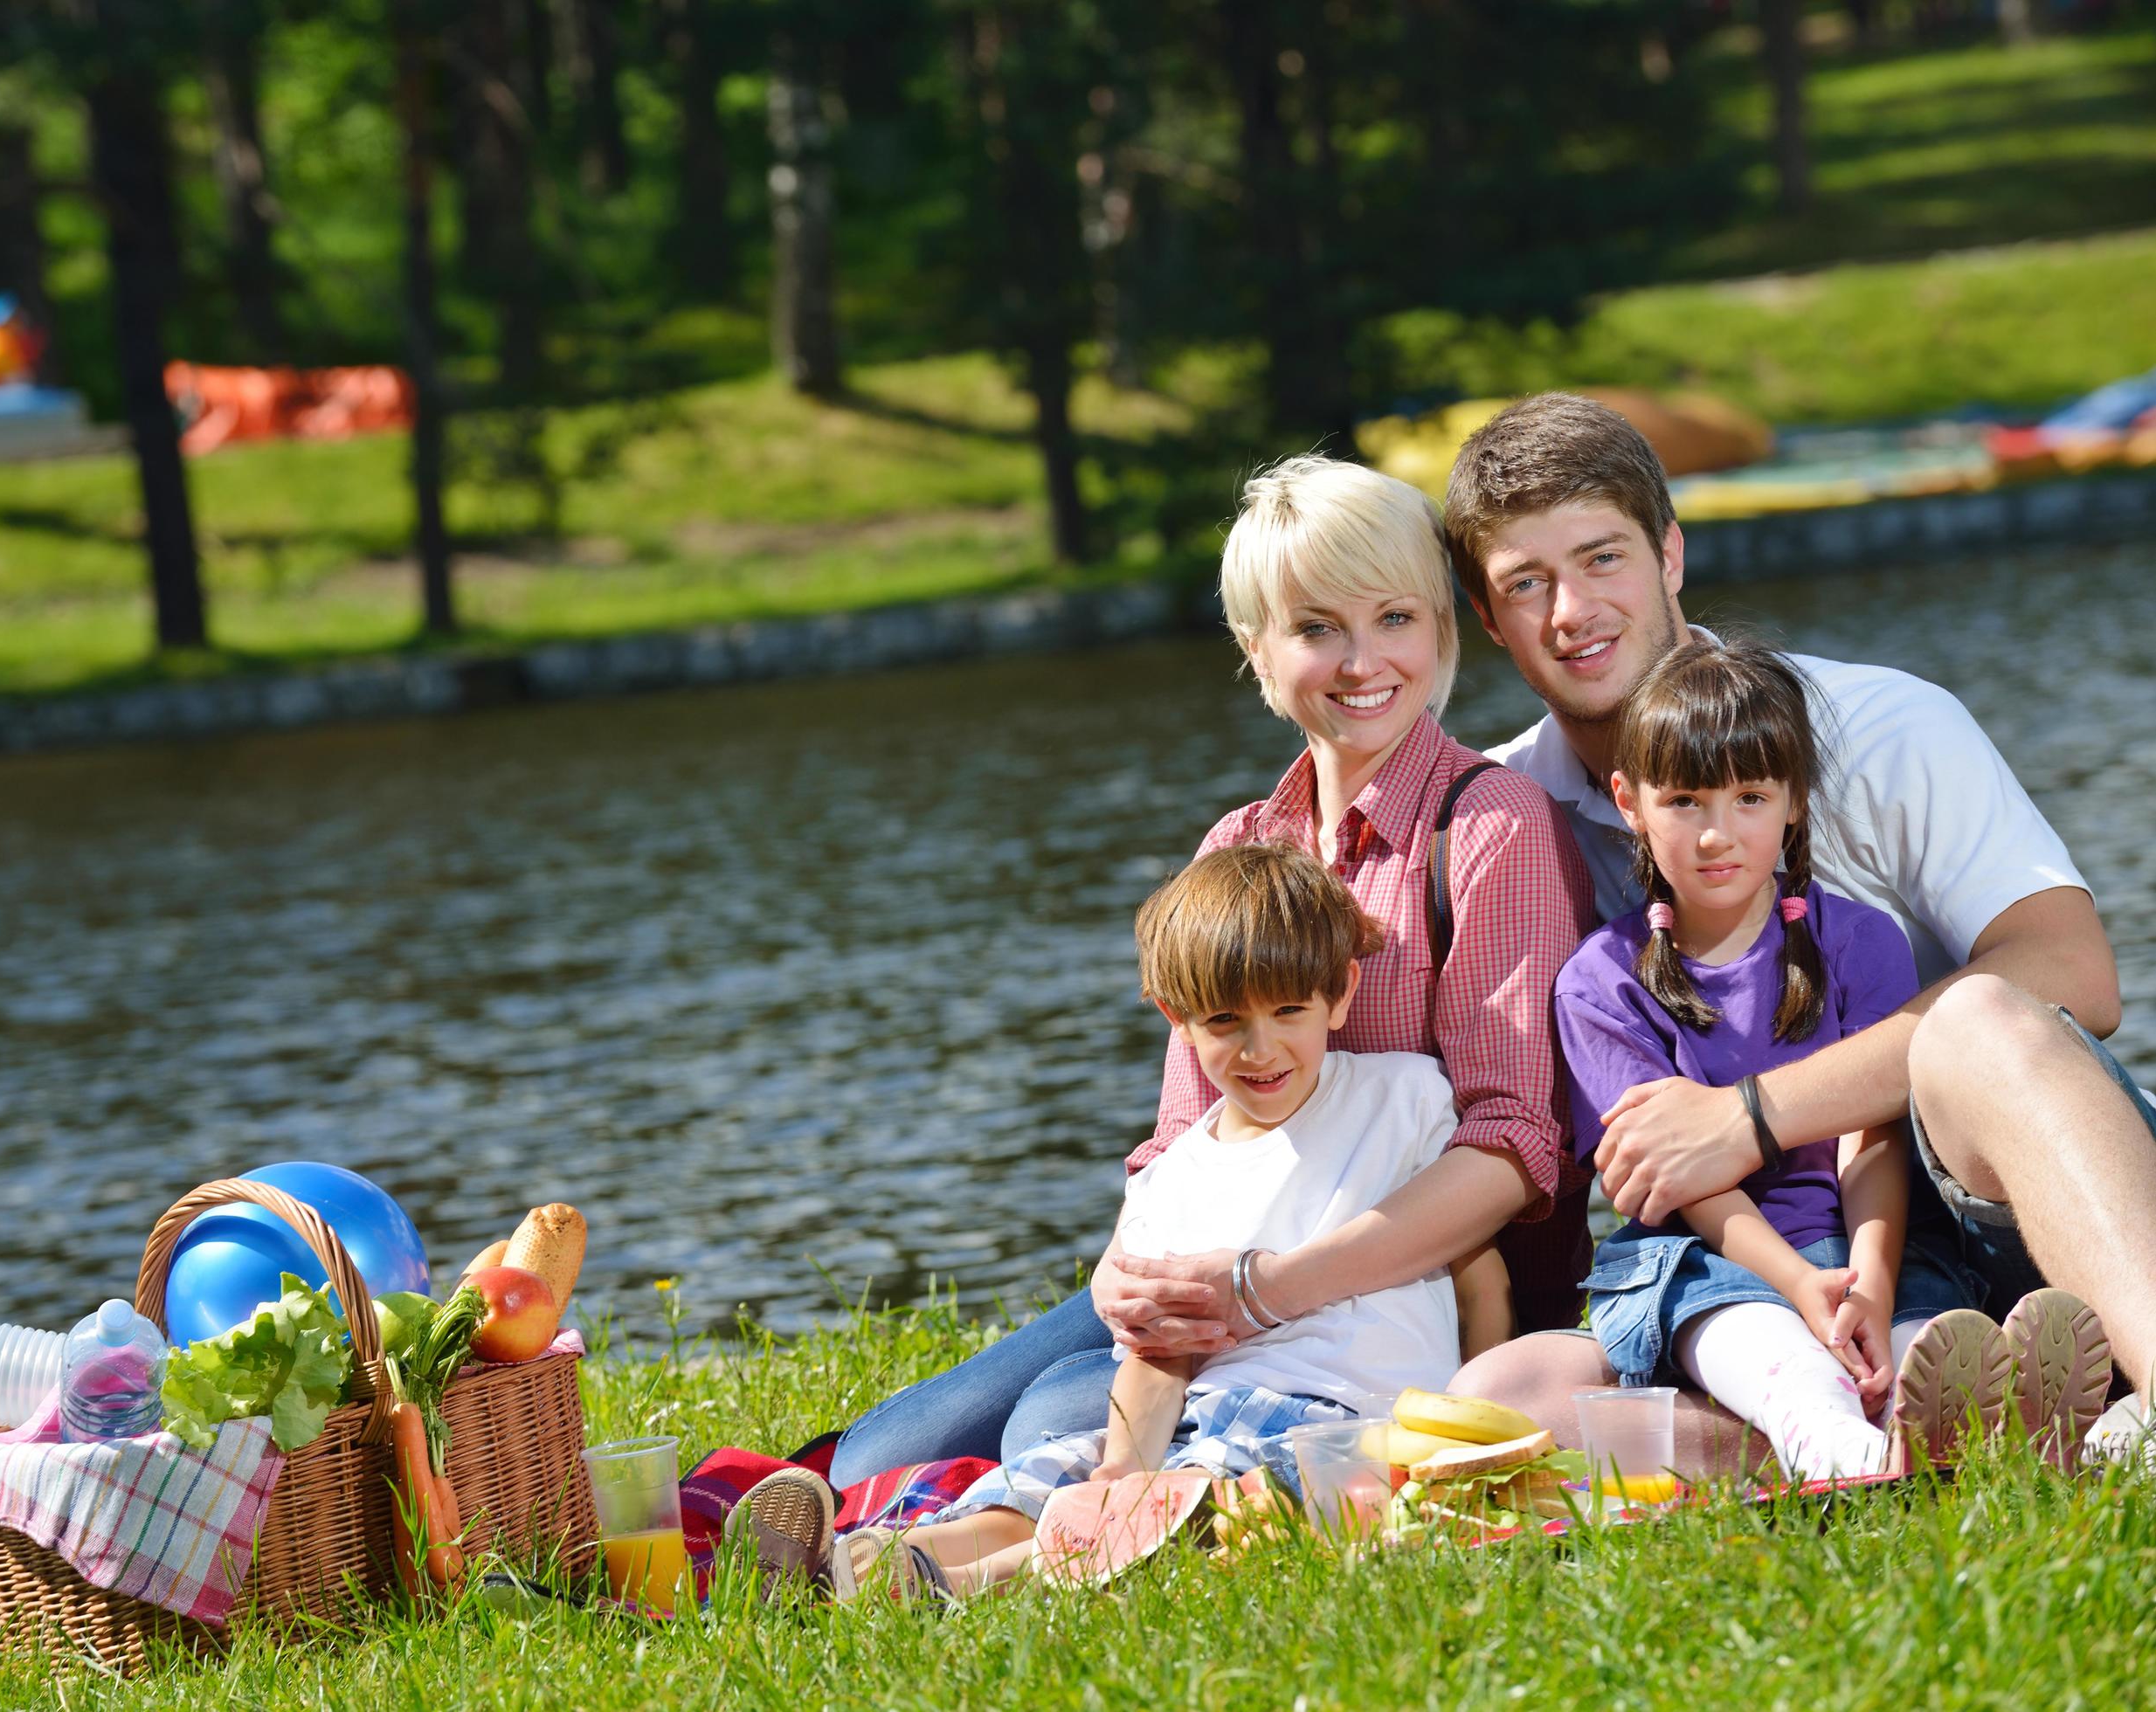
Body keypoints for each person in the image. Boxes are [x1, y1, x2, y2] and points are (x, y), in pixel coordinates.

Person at [826, 455, 1594, 1489]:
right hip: (1227, 1264)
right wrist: (1132, 1271)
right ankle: (859, 1525)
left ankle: (1024, 1529)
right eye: (1317, 628)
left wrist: (1263, 1289)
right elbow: (1181, 1139)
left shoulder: (1490, 828)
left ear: (1443, 629)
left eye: (1396, 619)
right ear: (1257, 652)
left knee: (1055, 1413)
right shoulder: (1239, 841)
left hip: (1399, 1292)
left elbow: (1512, 1149)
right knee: (874, 1455)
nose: (1363, 660)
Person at [1441, 393, 2147, 1469]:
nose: (1571, 610)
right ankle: (1922, 1414)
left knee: (1983, 1019)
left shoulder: (1880, 723)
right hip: (1758, 1264)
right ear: (1490, 621)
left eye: (1602, 558)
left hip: (1995, 1181)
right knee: (1514, 1390)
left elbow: (2076, 975)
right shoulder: (1503, 816)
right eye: (1525, 585)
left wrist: (1751, 1117)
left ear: (1671, 554)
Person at [826, 844, 1459, 1598]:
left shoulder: (1405, 1097)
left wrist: (1478, 1418)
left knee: (1213, 1501)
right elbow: (1158, 1357)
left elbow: (1471, 1261)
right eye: (1225, 1021)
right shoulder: (1172, 1178)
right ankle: (865, 1560)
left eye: (1289, 1010)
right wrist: (1119, 1472)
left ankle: (958, 1584)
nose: (1261, 1049)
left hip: (1343, 1422)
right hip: (1206, 1407)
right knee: (1049, 1484)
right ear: (1178, 1021)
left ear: (1340, 993)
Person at [1557, 636, 2043, 1480]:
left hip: (1865, 1241)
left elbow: (1873, 1138)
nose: (1717, 834)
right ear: (1628, 802)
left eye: (1749, 797)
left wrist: (1868, 1282)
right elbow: (1684, 1178)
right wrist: (1794, 1282)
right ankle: (1829, 1441)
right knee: (1765, 1347)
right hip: (1706, 1260)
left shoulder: (1859, 941)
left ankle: (1986, 1412)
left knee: (1922, 1340)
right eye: (1684, 802)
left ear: (1793, 800)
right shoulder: (1597, 983)